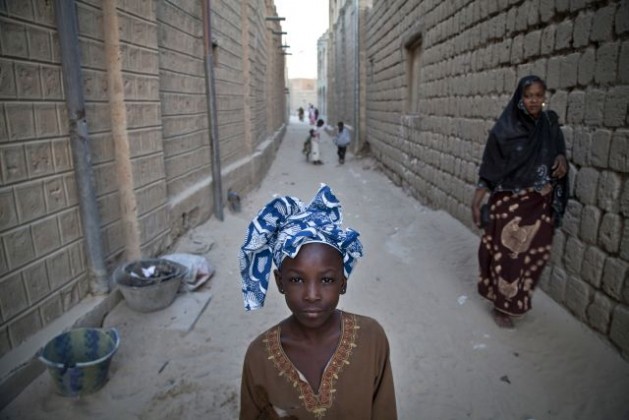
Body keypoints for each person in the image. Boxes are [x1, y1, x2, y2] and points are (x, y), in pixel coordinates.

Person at [239, 184, 397, 419]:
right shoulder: (259, 356)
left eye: (326, 280)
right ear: (280, 282)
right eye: (296, 279)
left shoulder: (371, 339)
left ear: (343, 282)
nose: (311, 295)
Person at [471, 75, 569, 329]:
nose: (534, 100)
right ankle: (502, 305)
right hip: (510, 203)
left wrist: (561, 157)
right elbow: (490, 167)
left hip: (539, 203)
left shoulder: (549, 124)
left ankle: (515, 298)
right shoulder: (505, 130)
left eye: (538, 95)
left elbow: (558, 149)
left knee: (530, 258)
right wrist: (477, 199)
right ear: (520, 98)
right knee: (509, 255)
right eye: (528, 95)